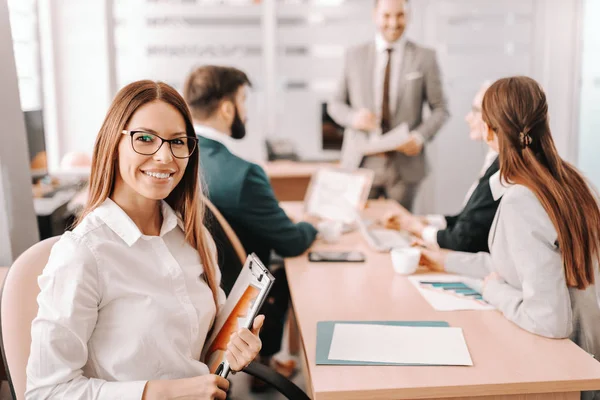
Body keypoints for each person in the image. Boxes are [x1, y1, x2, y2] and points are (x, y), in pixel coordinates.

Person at [26, 80, 264, 400]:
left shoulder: (194, 237)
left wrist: (233, 351)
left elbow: (205, 349)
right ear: (114, 142)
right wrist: (161, 393)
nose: (165, 156)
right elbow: (46, 392)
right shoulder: (83, 254)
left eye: (177, 142)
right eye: (145, 139)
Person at [418, 76, 600, 400]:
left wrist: (494, 291)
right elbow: (525, 265)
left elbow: (549, 320)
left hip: (565, 371)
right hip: (586, 355)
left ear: (490, 131)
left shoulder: (522, 199)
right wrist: (448, 261)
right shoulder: (571, 180)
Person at [183, 65, 317, 390]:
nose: (246, 111)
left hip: (195, 286)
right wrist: (312, 225)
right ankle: (266, 363)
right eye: (244, 100)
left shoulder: (178, 160)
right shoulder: (243, 174)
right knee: (284, 266)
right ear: (227, 107)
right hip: (238, 294)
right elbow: (291, 242)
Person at [327, 0, 449, 210]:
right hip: (362, 162)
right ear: (375, 15)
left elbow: (440, 109)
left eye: (400, 15)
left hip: (403, 166)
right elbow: (335, 104)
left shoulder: (425, 57)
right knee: (359, 228)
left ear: (408, 15)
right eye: (387, 16)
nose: (393, 23)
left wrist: (419, 137)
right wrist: (354, 118)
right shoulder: (354, 56)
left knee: (399, 229)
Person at [384, 82, 500, 252]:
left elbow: (464, 238)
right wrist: (424, 222)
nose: (468, 117)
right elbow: (468, 220)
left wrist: (417, 228)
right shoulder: (493, 160)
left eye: (475, 111)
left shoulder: (501, 170)